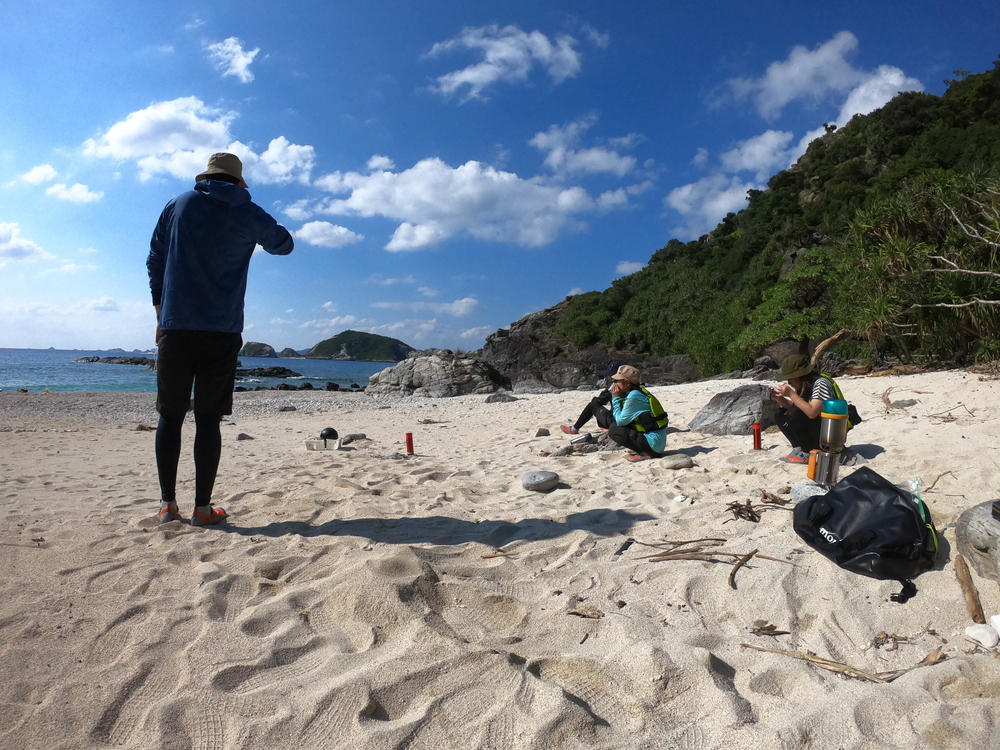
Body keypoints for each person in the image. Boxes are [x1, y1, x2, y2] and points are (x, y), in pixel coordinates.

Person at [147, 153, 294, 525]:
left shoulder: (178, 204)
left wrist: (160, 313)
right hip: (222, 331)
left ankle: (167, 506)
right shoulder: (248, 210)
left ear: (206, 177)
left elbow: (155, 258)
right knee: (208, 421)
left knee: (170, 415)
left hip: (176, 326)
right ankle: (202, 509)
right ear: (238, 181)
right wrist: (252, 224)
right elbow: (284, 244)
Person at [561, 364, 669, 462]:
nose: (614, 383)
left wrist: (615, 397)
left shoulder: (634, 396)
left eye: (617, 381)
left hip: (653, 446)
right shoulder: (637, 392)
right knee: (615, 427)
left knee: (614, 430)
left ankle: (644, 453)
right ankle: (643, 450)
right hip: (656, 444)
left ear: (627, 383)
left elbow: (620, 421)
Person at [769, 354, 850, 464]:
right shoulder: (805, 385)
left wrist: (791, 393)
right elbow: (793, 404)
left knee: (794, 413)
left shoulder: (821, 383)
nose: (789, 382)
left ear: (798, 376)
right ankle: (799, 449)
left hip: (829, 437)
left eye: (790, 379)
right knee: (781, 414)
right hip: (820, 429)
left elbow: (812, 412)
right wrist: (778, 398)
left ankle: (808, 453)